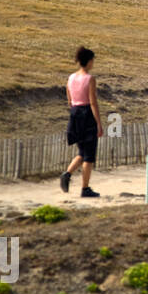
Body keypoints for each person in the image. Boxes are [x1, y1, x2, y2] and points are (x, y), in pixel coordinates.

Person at [61, 46, 103, 197]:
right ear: (89, 61)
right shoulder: (90, 79)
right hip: (86, 114)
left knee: (82, 152)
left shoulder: (71, 77)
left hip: (75, 113)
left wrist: (73, 108)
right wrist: (98, 123)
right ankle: (85, 188)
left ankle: (67, 174)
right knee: (89, 156)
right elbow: (93, 102)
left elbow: (69, 96)